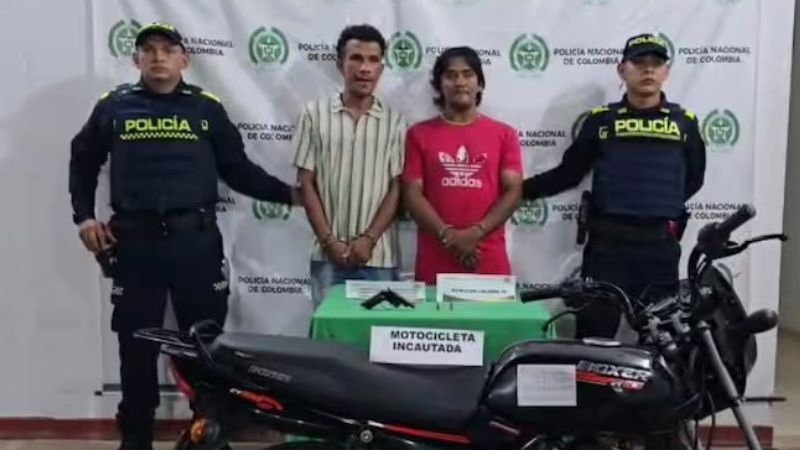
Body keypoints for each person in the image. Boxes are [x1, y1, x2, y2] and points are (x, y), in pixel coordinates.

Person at [68, 22, 295, 450]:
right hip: (135, 246)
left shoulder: (206, 108)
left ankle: (207, 437)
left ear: (184, 60)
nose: (158, 57)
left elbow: (238, 171)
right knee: (136, 348)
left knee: (206, 348)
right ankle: (136, 439)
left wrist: (292, 195)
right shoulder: (114, 106)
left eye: (168, 49)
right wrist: (84, 218)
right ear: (136, 59)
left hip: (196, 244)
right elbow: (82, 162)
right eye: (149, 49)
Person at [522, 33, 706, 339]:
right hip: (608, 248)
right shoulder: (601, 121)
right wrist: (518, 191)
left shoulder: (684, 122)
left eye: (656, 63)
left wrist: (652, 205)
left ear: (666, 72)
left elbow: (694, 179)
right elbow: (569, 174)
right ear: (622, 70)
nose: (648, 69)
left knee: (664, 341)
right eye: (639, 62)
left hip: (658, 248)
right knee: (594, 337)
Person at [293, 24, 407, 307]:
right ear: (340, 64)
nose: (365, 68)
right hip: (326, 257)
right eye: (356, 58)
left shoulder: (395, 122)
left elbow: (397, 187)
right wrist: (329, 241)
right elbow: (306, 183)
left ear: (381, 69)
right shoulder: (313, 115)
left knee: (378, 333)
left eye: (372, 60)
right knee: (329, 334)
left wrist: (369, 239)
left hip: (379, 257)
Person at [402, 46, 523, 285]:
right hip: (436, 262)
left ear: (479, 83)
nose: (460, 82)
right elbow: (412, 193)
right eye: (451, 75)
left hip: (487, 262)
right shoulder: (418, 134)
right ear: (439, 85)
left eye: (468, 74)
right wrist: (447, 235)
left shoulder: (504, 134)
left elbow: (513, 191)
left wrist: (476, 232)